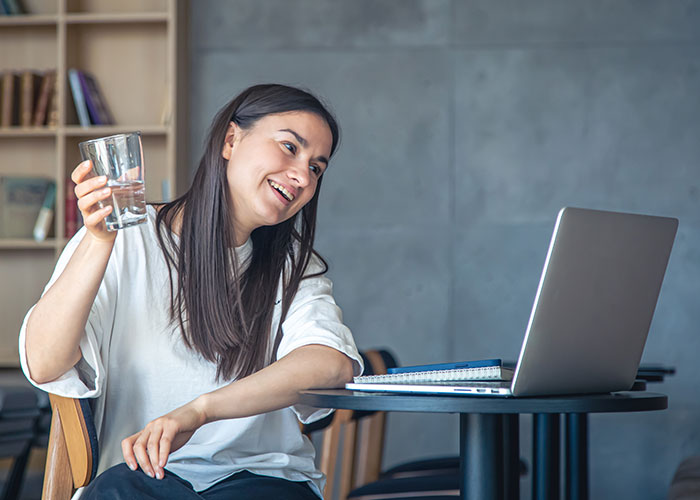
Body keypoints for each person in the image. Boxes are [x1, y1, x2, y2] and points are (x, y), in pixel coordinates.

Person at [19, 84, 363, 499]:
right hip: (143, 479)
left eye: (316, 168)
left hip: (260, 480)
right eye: (290, 147)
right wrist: (99, 241)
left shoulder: (292, 265)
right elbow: (43, 363)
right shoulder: (126, 239)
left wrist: (200, 411)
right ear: (231, 140)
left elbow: (330, 365)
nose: (302, 176)